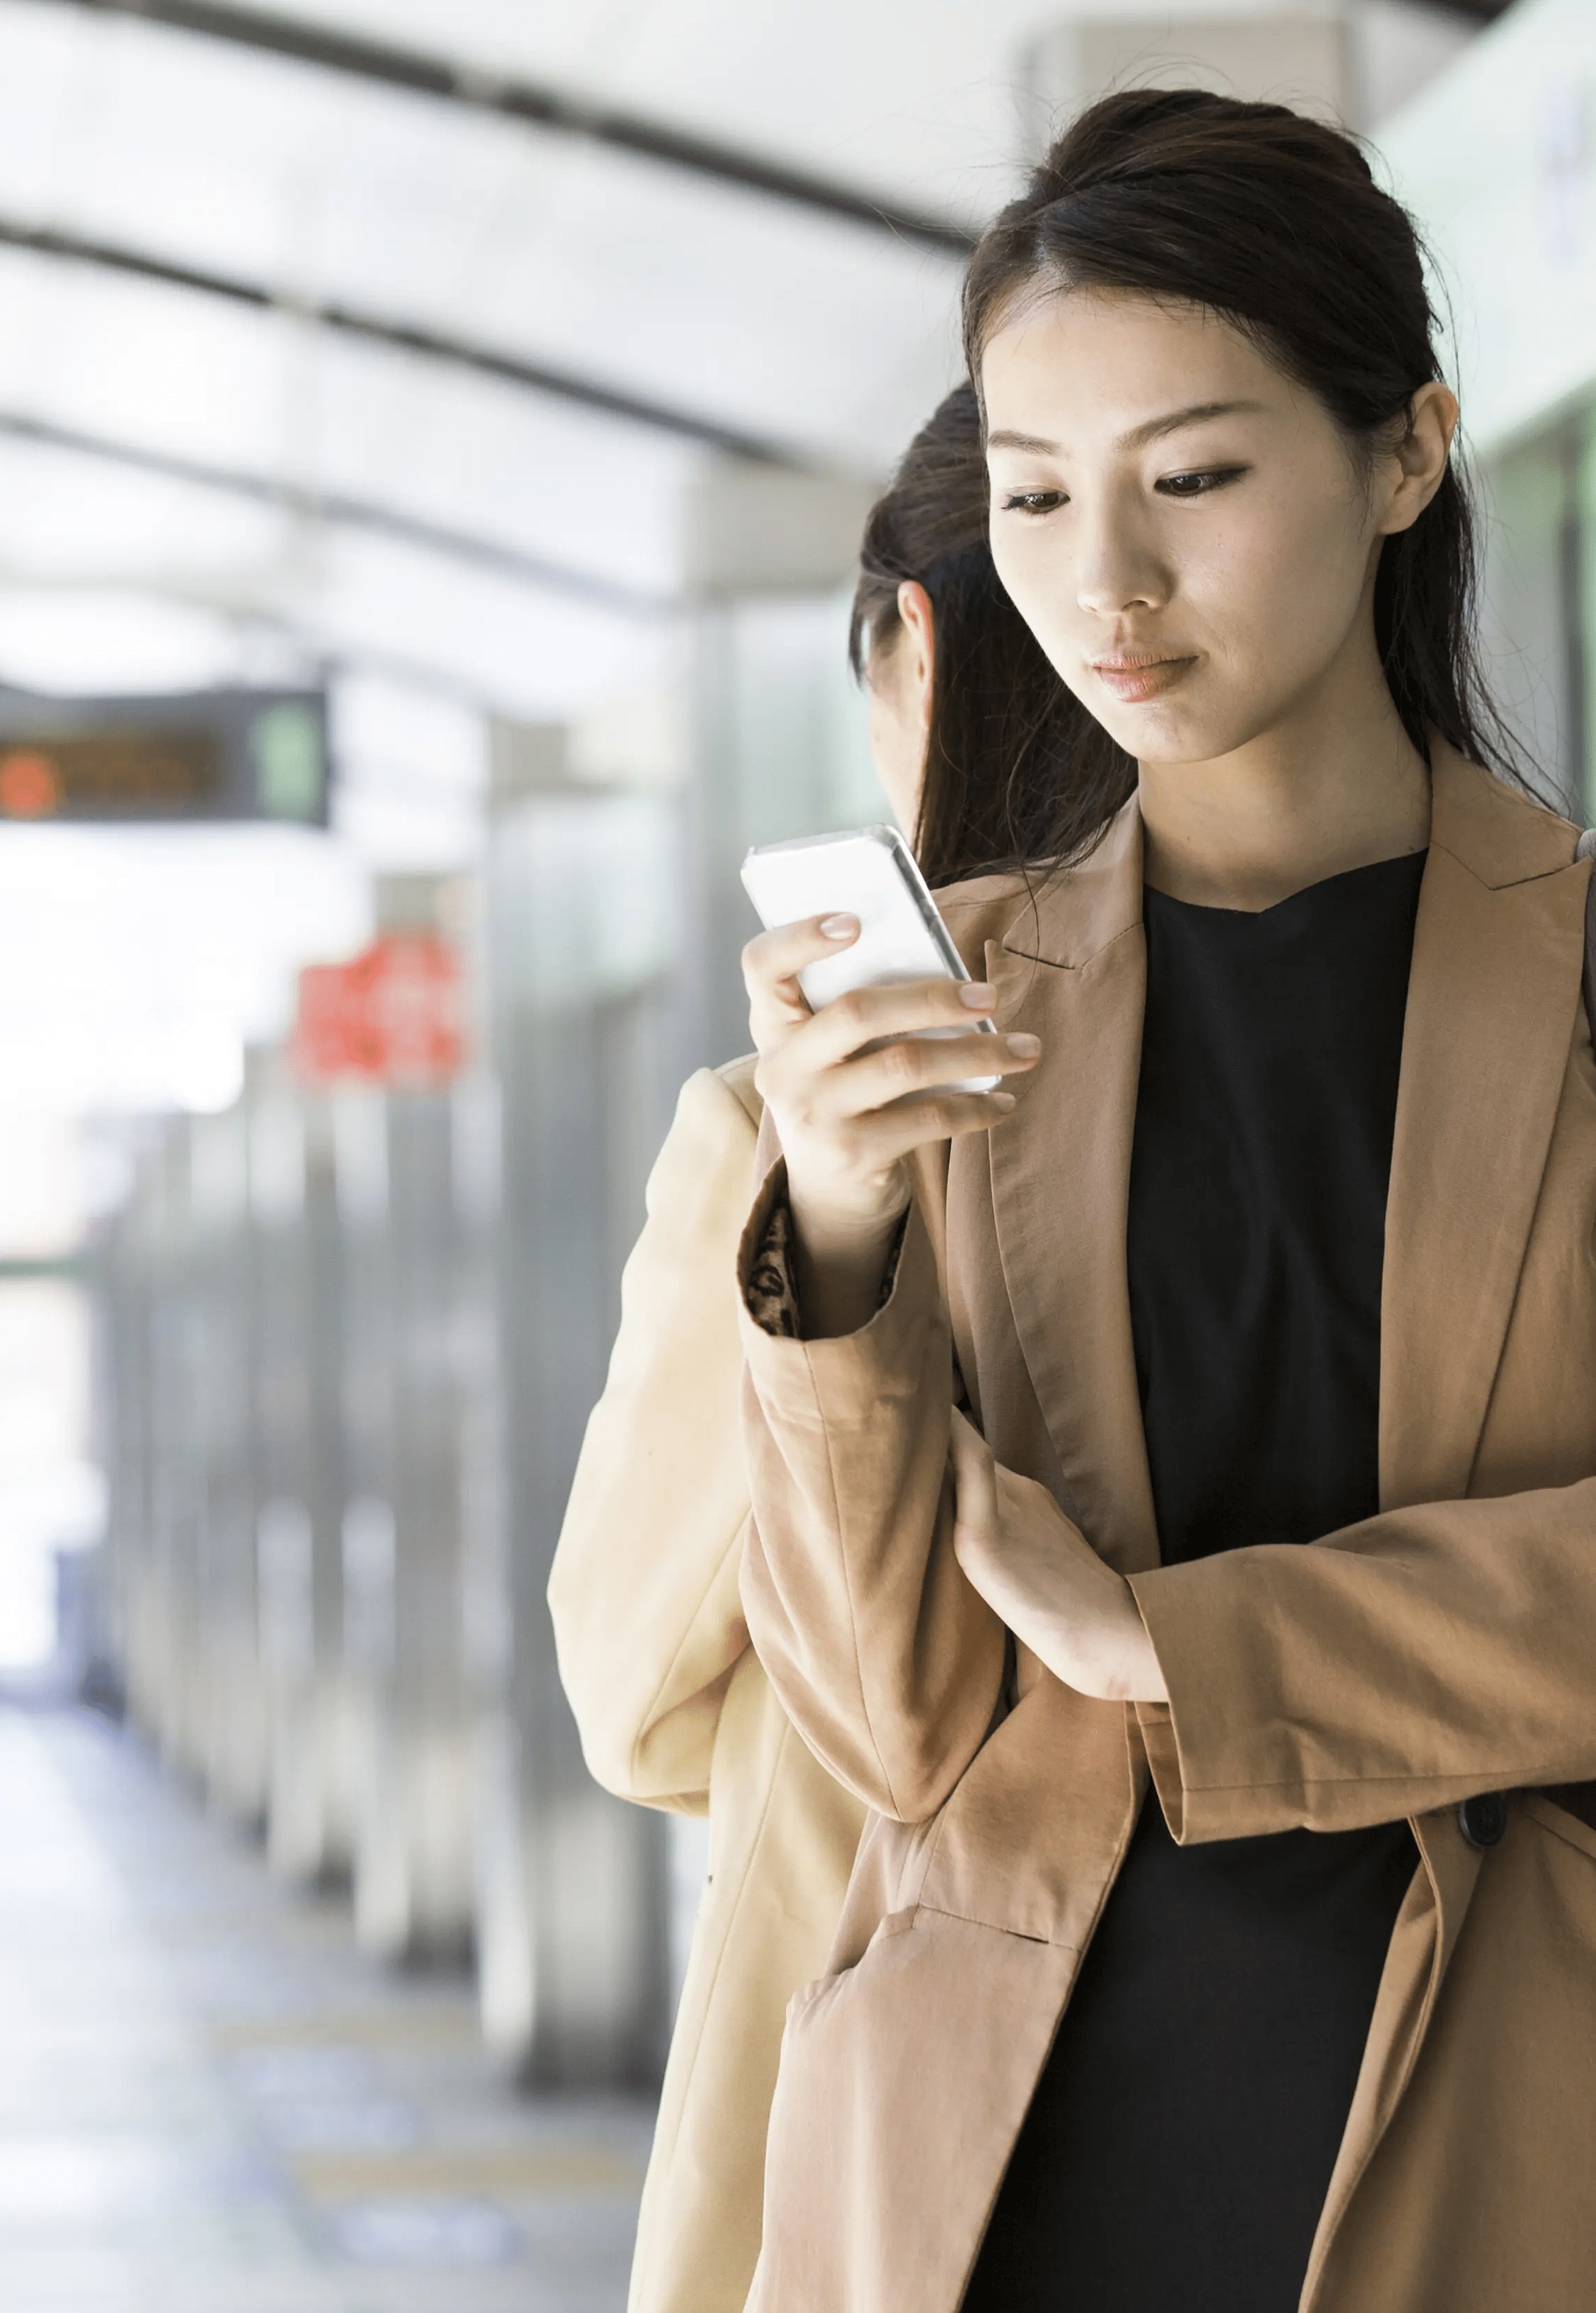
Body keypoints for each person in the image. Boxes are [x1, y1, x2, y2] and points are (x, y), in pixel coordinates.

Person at [726, 90, 1596, 2311]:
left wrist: (1162, 1638)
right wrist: (836, 1236)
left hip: (1536, 2150)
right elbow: (888, 1724)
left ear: (1402, 454)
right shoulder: (955, 995)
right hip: (996, 2167)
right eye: (1033, 497)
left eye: (1191, 477)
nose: (1105, 584)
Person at [548, 382, 1133, 2312]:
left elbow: (629, 1679)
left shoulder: (786, 1139)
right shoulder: (1409, 1028)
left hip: (882, 2068)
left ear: (922, 643)